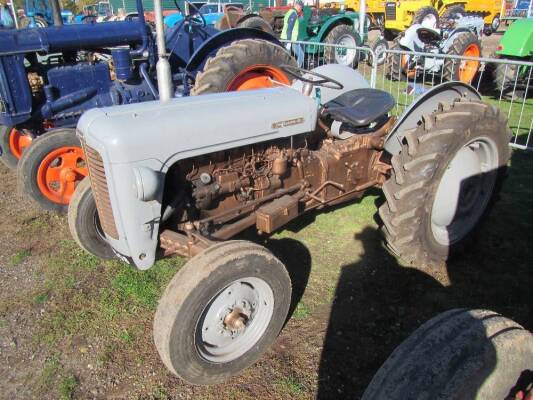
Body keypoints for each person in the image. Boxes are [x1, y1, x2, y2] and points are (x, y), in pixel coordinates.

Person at [281, 0, 305, 67]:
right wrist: (289, 41)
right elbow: (290, 28)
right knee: (301, 55)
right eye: (301, 7)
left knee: (287, 57)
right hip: (291, 39)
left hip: (288, 39)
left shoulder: (290, 12)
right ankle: (296, 71)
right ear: (298, 6)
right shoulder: (293, 14)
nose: (301, 9)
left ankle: (289, 71)